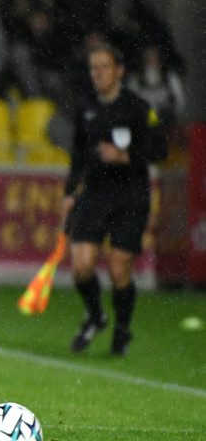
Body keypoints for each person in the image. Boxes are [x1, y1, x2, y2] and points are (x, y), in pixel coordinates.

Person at [60, 44, 166, 356]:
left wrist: (126, 156)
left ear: (120, 71)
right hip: (94, 193)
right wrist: (69, 193)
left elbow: (160, 149)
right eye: (93, 67)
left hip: (130, 196)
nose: (98, 73)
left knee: (119, 270)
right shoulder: (85, 106)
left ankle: (122, 329)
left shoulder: (138, 107)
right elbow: (78, 155)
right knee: (81, 267)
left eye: (104, 66)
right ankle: (96, 316)